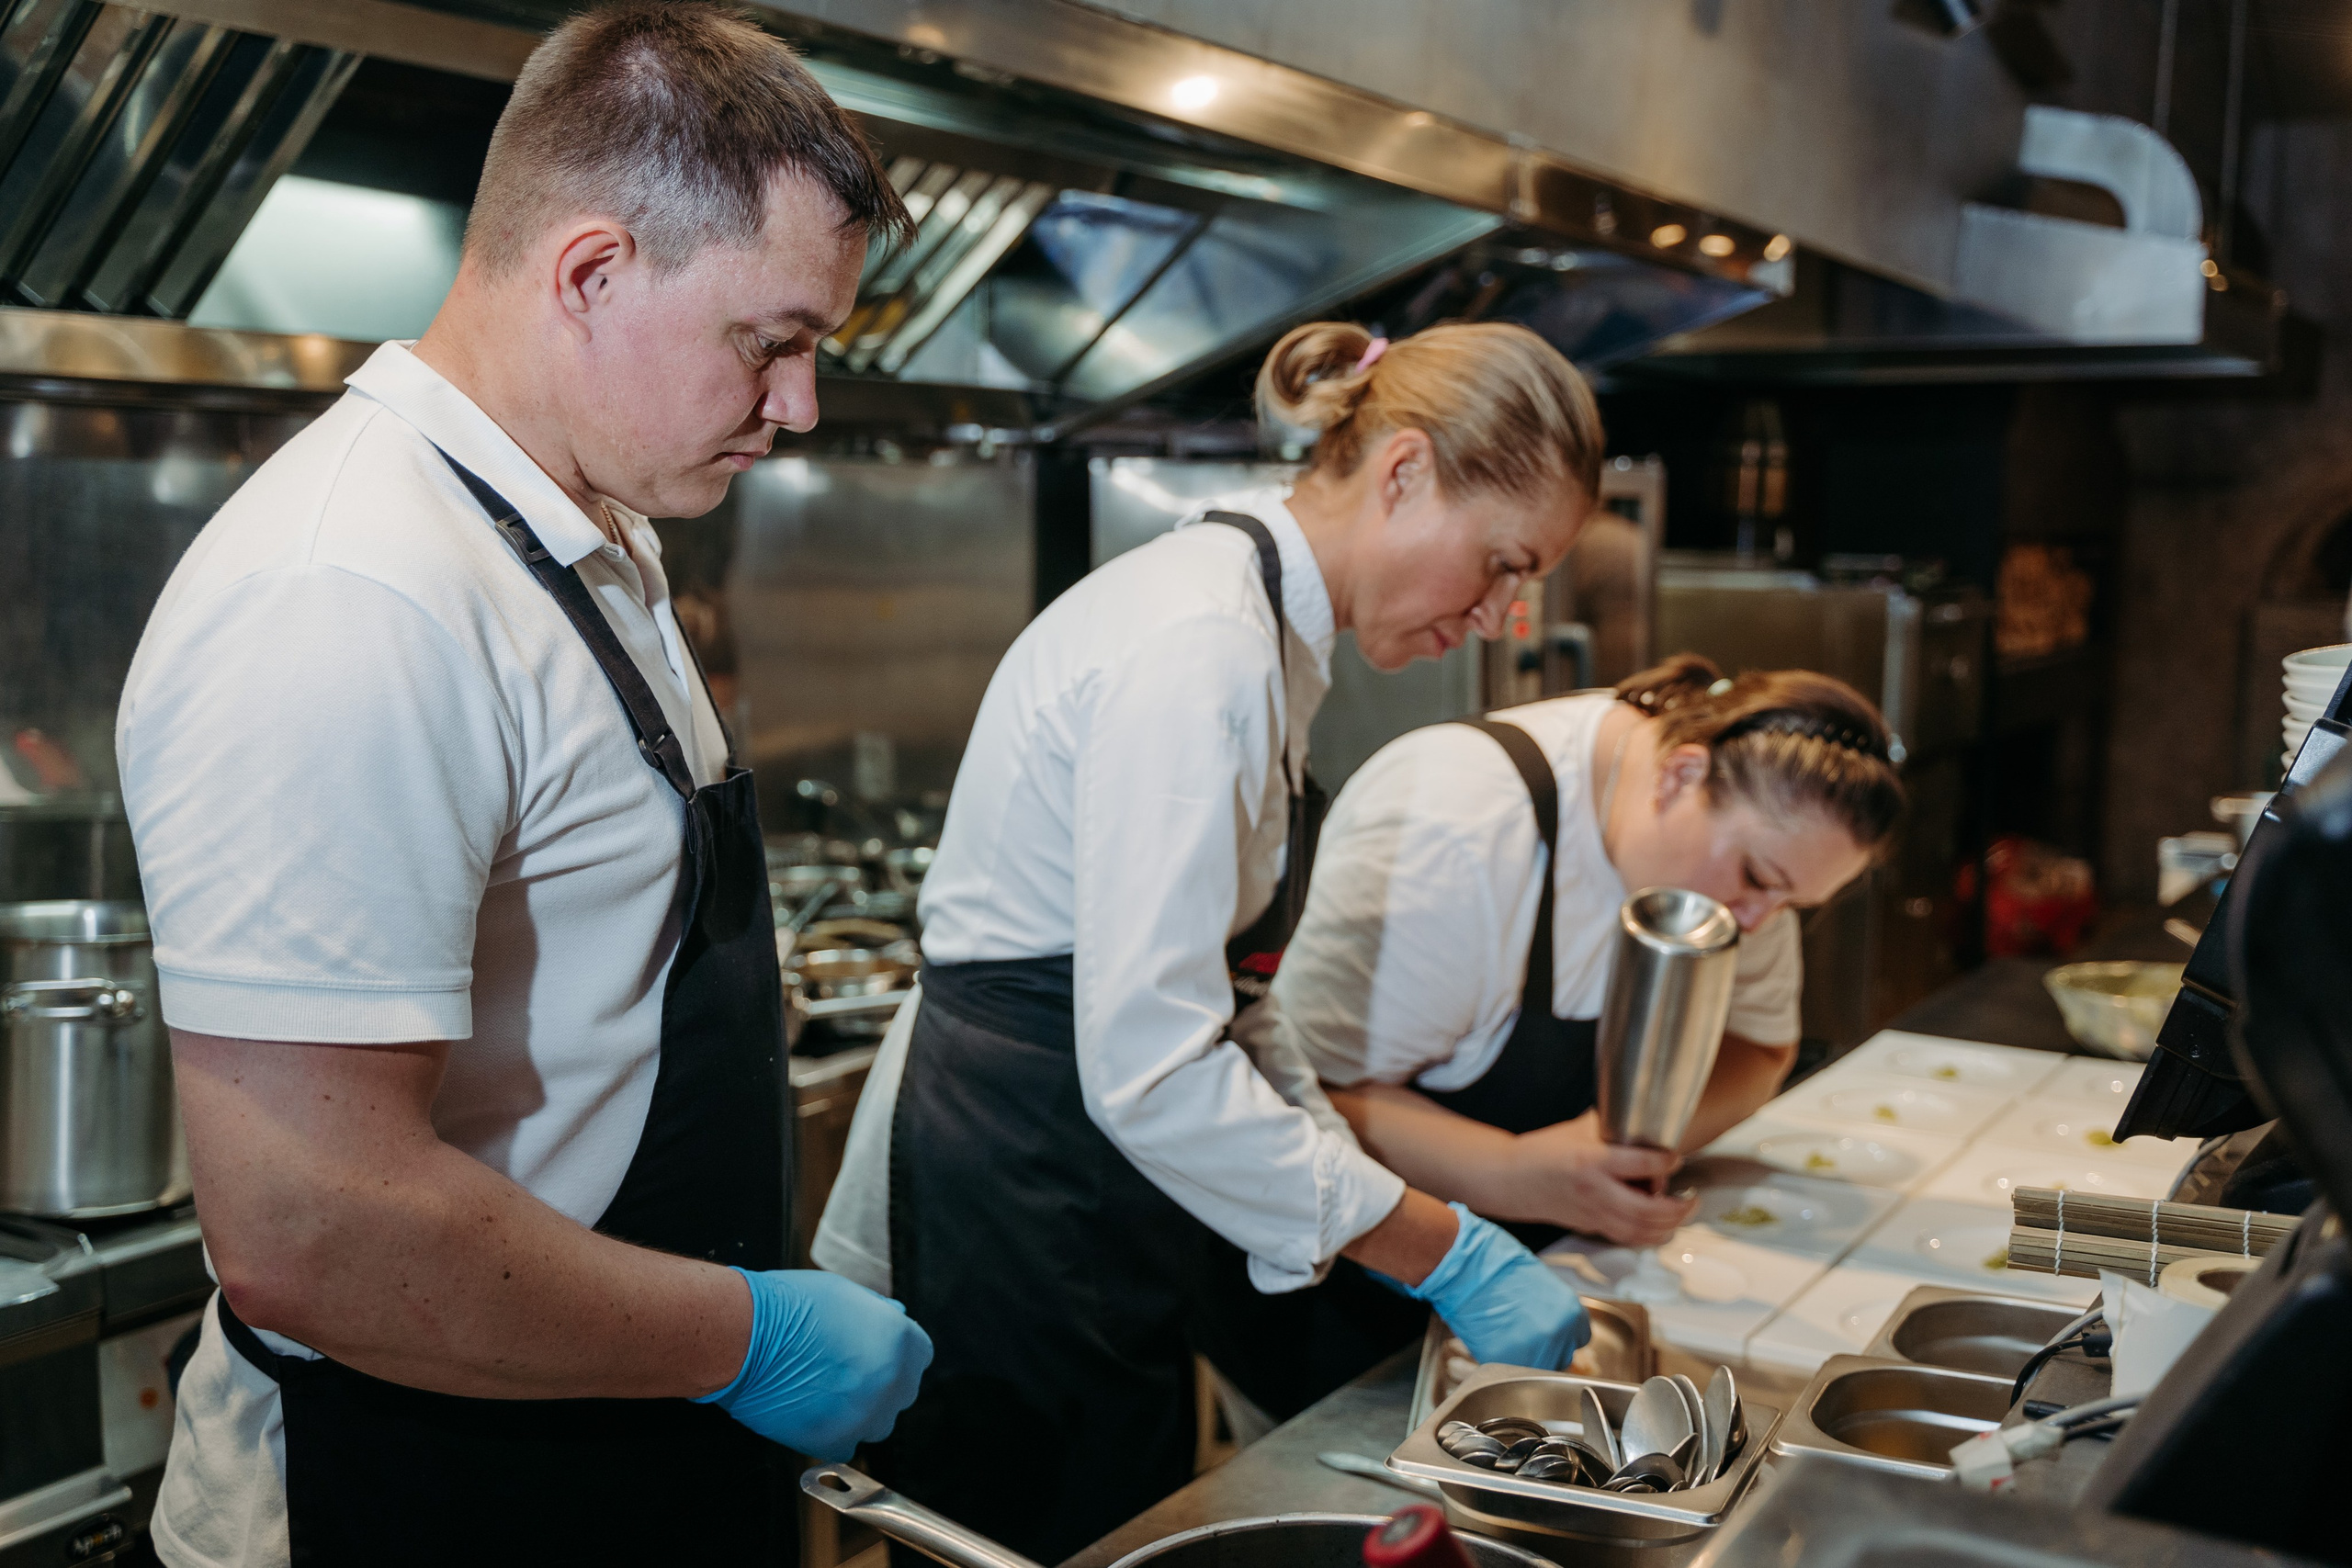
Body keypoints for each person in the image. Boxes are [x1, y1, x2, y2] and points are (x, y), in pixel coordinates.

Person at [116, 8, 933, 1565]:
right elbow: (313, 1229)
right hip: (417, 1484)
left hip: (606, 1438)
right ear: (592, 273)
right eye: (771, 342)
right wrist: (743, 1334)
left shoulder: (588, 531)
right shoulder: (351, 591)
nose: (802, 405)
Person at [815, 319, 1607, 1559]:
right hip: (1027, 1178)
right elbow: (1156, 1064)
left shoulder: (1263, 630)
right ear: (1403, 471)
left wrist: (1341, 1164)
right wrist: (1440, 1244)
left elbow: (1235, 992)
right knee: (1053, 1528)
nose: (1505, 615)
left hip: (1082, 1168)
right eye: (1502, 564)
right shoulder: (1204, 647)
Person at [1272, 654, 1905, 1250]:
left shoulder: (1758, 856)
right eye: (1757, 878)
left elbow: (1759, 1048)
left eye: (1793, 905)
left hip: (1562, 1252)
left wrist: (1621, 1145)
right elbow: (1289, 1093)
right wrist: (1511, 1172)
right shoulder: (1454, 833)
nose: (1757, 923)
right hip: (1355, 1259)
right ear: (1681, 775)